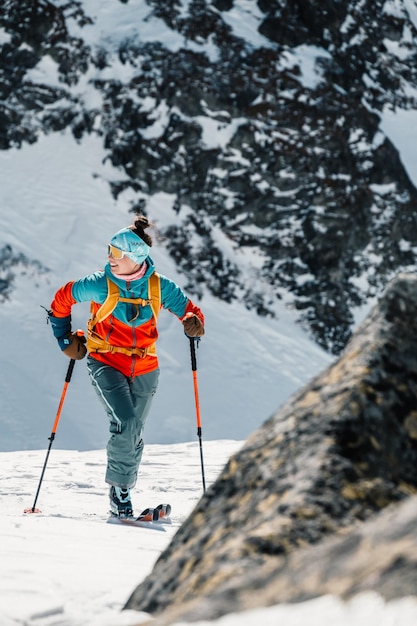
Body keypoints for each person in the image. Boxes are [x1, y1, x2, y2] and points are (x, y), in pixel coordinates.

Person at [48, 215, 204, 517]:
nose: (110, 257)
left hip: (146, 367)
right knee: (128, 424)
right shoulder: (98, 284)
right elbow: (62, 298)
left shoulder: (160, 287)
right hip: (105, 362)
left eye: (117, 253)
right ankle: (120, 495)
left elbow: (189, 310)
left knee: (133, 430)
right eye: (109, 250)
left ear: (137, 257)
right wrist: (64, 339)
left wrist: (193, 322)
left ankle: (123, 490)